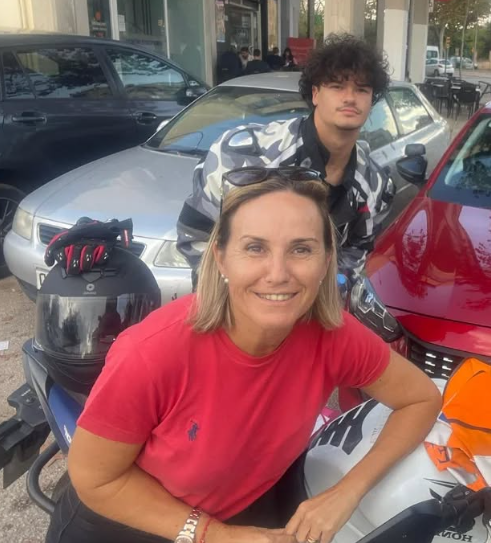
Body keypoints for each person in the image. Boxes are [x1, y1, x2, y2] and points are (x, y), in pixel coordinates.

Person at [46, 174, 442, 543]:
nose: (278, 273)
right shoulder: (152, 353)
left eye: (301, 249)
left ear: (325, 262)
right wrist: (215, 535)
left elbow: (420, 399)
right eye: (255, 248)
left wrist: (348, 491)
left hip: (247, 506)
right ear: (221, 259)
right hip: (129, 521)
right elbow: (95, 480)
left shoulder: (333, 335)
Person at [177, 33, 394, 280]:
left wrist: (329, 294)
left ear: (371, 99)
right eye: (336, 86)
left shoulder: (374, 185)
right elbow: (196, 236)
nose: (349, 97)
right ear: (315, 94)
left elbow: (357, 251)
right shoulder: (244, 156)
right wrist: (236, 298)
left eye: (361, 89)